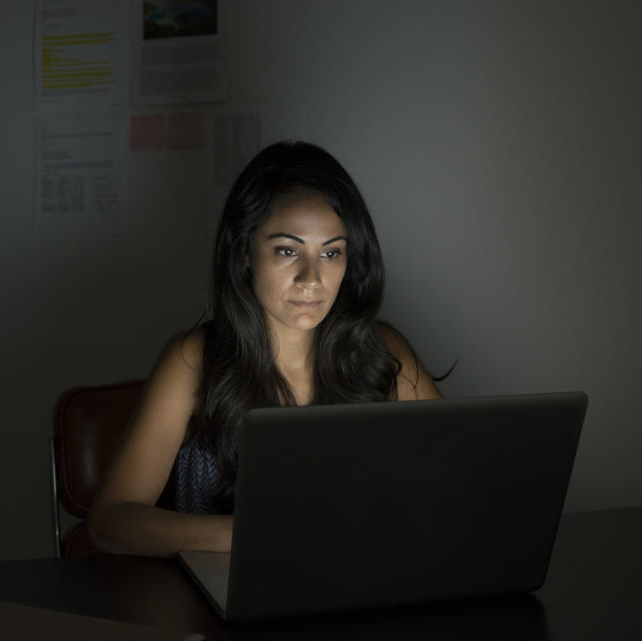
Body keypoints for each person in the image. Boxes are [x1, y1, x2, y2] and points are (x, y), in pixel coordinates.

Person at [88, 140, 442, 557]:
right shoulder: (193, 359)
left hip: (357, 593)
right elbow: (111, 521)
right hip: (222, 606)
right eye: (288, 250)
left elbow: (456, 483)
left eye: (331, 253)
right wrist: (260, 534)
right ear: (244, 253)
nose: (312, 278)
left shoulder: (383, 350)